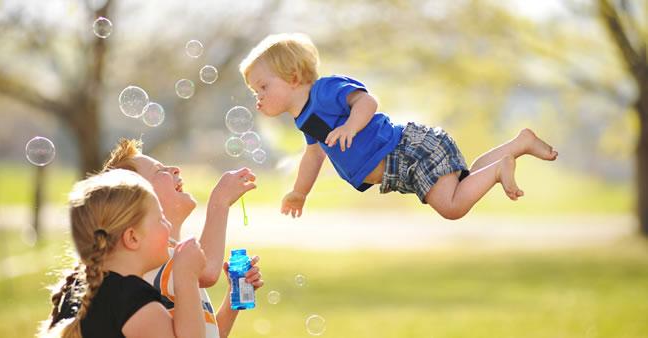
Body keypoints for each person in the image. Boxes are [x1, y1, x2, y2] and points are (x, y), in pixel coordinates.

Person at [238, 33, 559, 220]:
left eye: (263, 87)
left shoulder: (325, 90)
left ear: (293, 77)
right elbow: (313, 156)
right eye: (255, 92)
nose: (259, 97)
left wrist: (351, 126)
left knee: (452, 207)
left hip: (409, 151)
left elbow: (367, 102)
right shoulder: (305, 117)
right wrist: (299, 192)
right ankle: (519, 144)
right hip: (403, 163)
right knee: (467, 181)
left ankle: (502, 166)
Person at [45, 139, 264, 338]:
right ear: (132, 234)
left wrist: (234, 301)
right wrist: (219, 202)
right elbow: (207, 272)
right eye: (159, 170)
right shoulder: (143, 280)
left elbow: (204, 333)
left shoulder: (148, 277)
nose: (174, 169)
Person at [40, 169, 207, 337]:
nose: (169, 226)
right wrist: (187, 277)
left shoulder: (77, 292)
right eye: (161, 219)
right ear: (132, 237)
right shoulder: (134, 300)